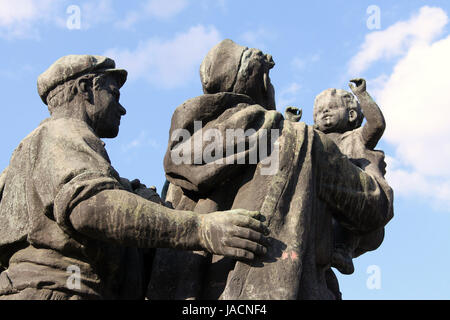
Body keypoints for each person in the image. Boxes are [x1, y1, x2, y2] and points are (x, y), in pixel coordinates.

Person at [0, 55, 269, 300]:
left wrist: (133, 193)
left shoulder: (29, 153)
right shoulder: (60, 133)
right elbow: (91, 209)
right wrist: (201, 229)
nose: (122, 108)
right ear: (85, 88)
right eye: (113, 94)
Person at [149, 40, 393, 300]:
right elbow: (374, 209)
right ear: (263, 83)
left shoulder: (181, 157)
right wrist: (372, 168)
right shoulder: (301, 141)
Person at [312, 79, 387, 275]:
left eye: (331, 108)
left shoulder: (356, 137)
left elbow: (377, 124)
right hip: (322, 205)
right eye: (319, 112)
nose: (324, 113)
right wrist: (292, 122)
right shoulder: (315, 140)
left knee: (345, 212)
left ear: (351, 114)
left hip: (358, 204)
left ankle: (344, 249)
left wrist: (362, 94)